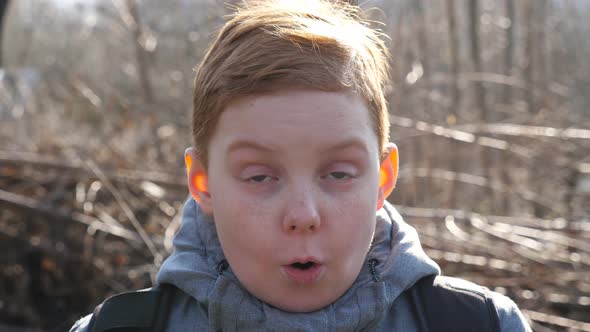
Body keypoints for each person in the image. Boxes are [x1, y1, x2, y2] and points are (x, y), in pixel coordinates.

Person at [71, 0, 531, 330]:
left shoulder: (483, 324)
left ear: (383, 179)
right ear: (203, 182)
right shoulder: (115, 328)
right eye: (260, 176)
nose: (303, 216)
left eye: (338, 173)